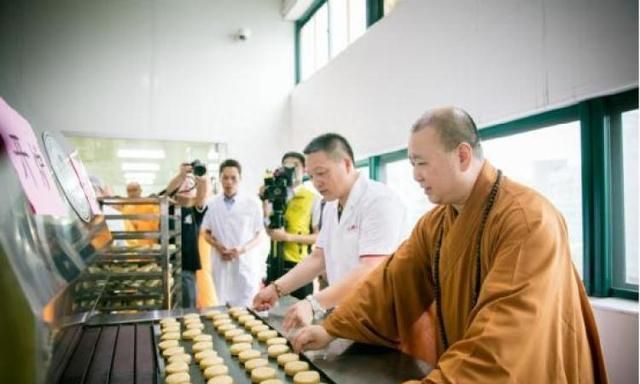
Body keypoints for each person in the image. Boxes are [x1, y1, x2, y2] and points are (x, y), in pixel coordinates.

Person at [291, 107, 608, 383]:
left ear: (462, 155)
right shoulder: (437, 223)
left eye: (422, 163)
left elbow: (502, 340)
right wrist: (332, 329)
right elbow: (390, 285)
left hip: (527, 370)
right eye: (411, 164)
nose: (415, 175)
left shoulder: (527, 220)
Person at [253, 133, 406, 331]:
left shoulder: (379, 201)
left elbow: (371, 269)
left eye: (322, 173)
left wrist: (313, 303)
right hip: (347, 314)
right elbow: (319, 258)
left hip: (381, 320)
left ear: (347, 164)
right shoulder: (333, 206)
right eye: (312, 175)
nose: (317, 182)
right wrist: (276, 288)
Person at [201, 159, 265, 307]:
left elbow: (259, 234)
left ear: (240, 179)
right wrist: (218, 246)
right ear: (220, 179)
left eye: (233, 178)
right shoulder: (211, 204)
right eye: (225, 177)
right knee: (221, 308)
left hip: (245, 263)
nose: (229, 182)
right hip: (220, 262)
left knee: (246, 309)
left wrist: (242, 249)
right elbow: (205, 232)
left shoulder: (252, 203)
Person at [263, 151, 322, 299]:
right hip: (275, 260)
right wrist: (265, 199)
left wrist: (287, 237)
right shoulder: (275, 194)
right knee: (272, 308)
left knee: (297, 311)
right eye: (286, 166)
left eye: (295, 166)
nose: (290, 170)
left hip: (299, 264)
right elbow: (268, 226)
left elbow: (318, 237)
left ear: (305, 169)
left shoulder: (313, 198)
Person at [163, 163, 210, 308]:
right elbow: (167, 192)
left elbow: (202, 194)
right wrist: (181, 175)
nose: (186, 184)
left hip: (187, 268)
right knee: (166, 307)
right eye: (183, 182)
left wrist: (201, 178)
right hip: (165, 267)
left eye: (190, 183)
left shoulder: (194, 212)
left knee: (188, 307)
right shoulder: (166, 207)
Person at [121, 181, 159, 247]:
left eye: (134, 190)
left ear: (140, 191)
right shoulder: (126, 207)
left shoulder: (150, 205)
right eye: (129, 191)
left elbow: (155, 224)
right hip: (130, 244)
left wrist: (137, 223)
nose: (132, 193)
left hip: (147, 243)